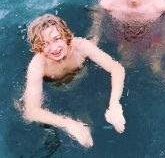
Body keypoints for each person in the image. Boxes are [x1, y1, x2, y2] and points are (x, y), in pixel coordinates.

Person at [21, 14, 126, 148]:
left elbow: (116, 68)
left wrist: (115, 104)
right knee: (86, 140)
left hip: (87, 83)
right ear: (38, 47)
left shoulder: (81, 46)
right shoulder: (37, 65)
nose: (54, 48)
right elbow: (30, 111)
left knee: (110, 114)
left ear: (66, 36)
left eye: (57, 39)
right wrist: (69, 124)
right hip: (59, 95)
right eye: (45, 44)